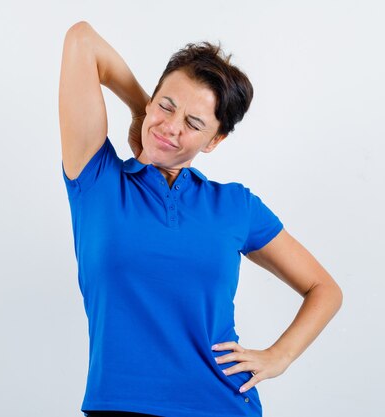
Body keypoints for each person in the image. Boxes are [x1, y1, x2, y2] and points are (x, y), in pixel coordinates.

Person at [58, 21, 343, 417]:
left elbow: (324, 289)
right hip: (120, 406)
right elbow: (82, 40)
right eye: (166, 105)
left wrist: (281, 356)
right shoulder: (96, 178)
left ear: (214, 141)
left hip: (224, 404)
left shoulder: (234, 206)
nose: (171, 128)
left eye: (193, 124)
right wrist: (144, 112)